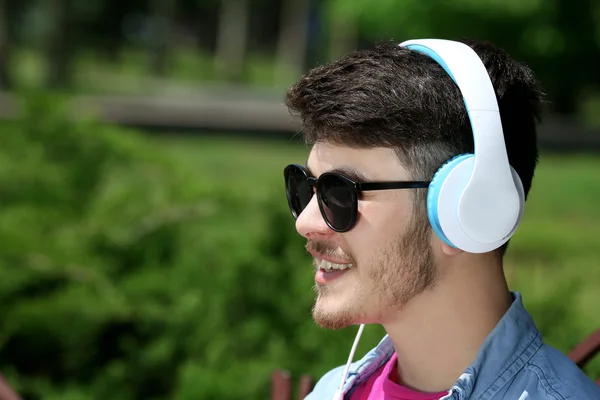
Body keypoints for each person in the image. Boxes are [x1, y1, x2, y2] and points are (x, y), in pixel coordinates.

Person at [282, 38, 600, 400]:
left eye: (340, 193)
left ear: (468, 209)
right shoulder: (330, 391)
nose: (305, 222)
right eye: (302, 187)